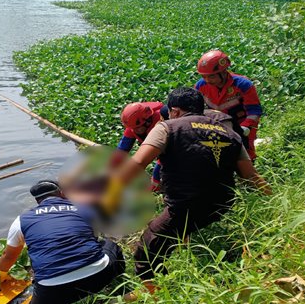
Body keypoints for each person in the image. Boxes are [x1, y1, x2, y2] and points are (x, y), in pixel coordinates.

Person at [103, 87, 271, 289]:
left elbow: (138, 164)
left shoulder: (167, 127)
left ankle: (161, 299)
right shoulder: (230, 134)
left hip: (186, 204)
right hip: (223, 202)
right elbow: (250, 176)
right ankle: (181, 246)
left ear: (174, 110)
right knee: (183, 226)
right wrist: (273, 200)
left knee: (145, 252)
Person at [0, 180, 125, 304]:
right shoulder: (84, 209)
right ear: (63, 193)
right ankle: (118, 284)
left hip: (53, 290)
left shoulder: (21, 220)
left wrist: (1, 275)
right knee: (110, 245)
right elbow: (93, 239)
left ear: (37, 200)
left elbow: (8, 256)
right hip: (98, 277)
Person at [194, 50, 263, 160]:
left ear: (223, 72)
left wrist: (244, 127)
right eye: (204, 76)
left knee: (246, 152)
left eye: (211, 76)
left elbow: (254, 111)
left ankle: (249, 174)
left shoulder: (243, 84)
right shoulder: (200, 86)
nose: (207, 80)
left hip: (242, 123)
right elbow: (195, 109)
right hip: (217, 123)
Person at [114, 102, 167, 191]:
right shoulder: (133, 126)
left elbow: (165, 156)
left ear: (147, 121)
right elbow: (122, 150)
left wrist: (155, 181)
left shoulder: (162, 124)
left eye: (137, 128)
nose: (135, 131)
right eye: (132, 128)